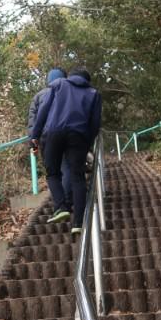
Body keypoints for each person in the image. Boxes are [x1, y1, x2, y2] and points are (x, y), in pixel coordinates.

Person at [30, 66, 102, 235]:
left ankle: (61, 206)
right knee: (78, 177)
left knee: (52, 172)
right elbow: (95, 123)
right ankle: (78, 222)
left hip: (54, 132)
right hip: (78, 135)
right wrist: (87, 143)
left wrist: (35, 135)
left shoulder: (60, 84)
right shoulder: (94, 93)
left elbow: (44, 111)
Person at [27, 68, 74, 210]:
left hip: (46, 138)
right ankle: (68, 199)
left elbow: (32, 121)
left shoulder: (39, 96)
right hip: (69, 134)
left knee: (53, 173)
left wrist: (32, 144)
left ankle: (61, 205)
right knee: (67, 167)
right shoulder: (71, 93)